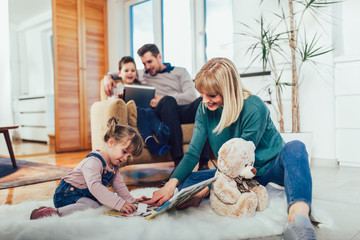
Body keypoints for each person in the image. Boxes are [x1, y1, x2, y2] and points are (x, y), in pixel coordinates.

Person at [145, 58, 317, 240]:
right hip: (237, 175)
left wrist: (208, 188)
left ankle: (299, 220)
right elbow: (193, 152)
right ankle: (204, 191)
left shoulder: (254, 107)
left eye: (211, 95)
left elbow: (240, 161)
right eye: (202, 94)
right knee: (188, 180)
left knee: (296, 148)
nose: (205, 101)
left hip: (268, 167)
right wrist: (172, 184)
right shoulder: (204, 109)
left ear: (228, 90)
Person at [103, 44, 210, 170]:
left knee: (203, 101)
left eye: (149, 62)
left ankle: (204, 164)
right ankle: (178, 162)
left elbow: (191, 96)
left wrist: (163, 96)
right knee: (167, 101)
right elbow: (122, 72)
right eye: (144, 64)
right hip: (164, 111)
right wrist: (107, 77)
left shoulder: (180, 72)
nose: (147, 67)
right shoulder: (143, 74)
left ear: (159, 56)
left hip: (182, 110)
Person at [30, 117, 147, 220]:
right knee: (94, 207)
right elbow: (95, 187)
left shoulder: (114, 165)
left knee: (101, 204)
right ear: (111, 142)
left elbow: (119, 184)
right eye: (124, 152)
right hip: (67, 194)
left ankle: (51, 209)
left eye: (129, 156)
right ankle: (53, 213)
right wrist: (118, 203)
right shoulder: (94, 161)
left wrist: (130, 200)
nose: (125, 158)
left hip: (84, 195)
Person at [111, 56, 171, 156]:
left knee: (149, 111)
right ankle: (152, 142)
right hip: (133, 113)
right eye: (126, 70)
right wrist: (119, 99)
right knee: (141, 110)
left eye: (133, 70)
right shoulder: (117, 87)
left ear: (136, 73)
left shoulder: (141, 85)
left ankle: (161, 132)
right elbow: (112, 103)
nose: (130, 73)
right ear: (119, 73)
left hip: (145, 111)